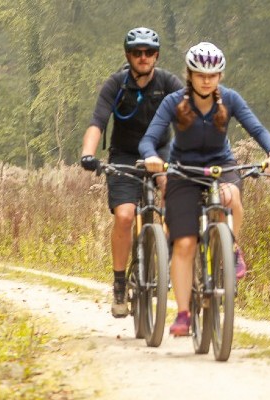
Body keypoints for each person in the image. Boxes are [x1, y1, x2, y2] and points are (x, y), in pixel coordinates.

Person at [138, 42, 270, 337]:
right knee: (184, 243)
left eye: (213, 74)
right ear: (190, 75)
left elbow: (256, 129)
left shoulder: (230, 99)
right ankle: (183, 314)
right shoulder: (173, 102)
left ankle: (230, 248)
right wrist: (152, 157)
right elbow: (149, 139)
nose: (207, 80)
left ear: (219, 76)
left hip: (221, 165)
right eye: (200, 74)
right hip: (184, 170)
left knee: (231, 197)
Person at [79, 27, 183, 318]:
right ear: (128, 55)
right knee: (125, 216)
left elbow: (187, 116)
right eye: (137, 52)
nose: (143, 57)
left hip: (161, 151)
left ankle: (166, 254)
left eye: (149, 52)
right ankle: (120, 284)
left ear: (156, 56)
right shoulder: (116, 85)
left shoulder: (168, 82)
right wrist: (88, 153)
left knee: (174, 195)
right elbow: (98, 122)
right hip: (124, 156)